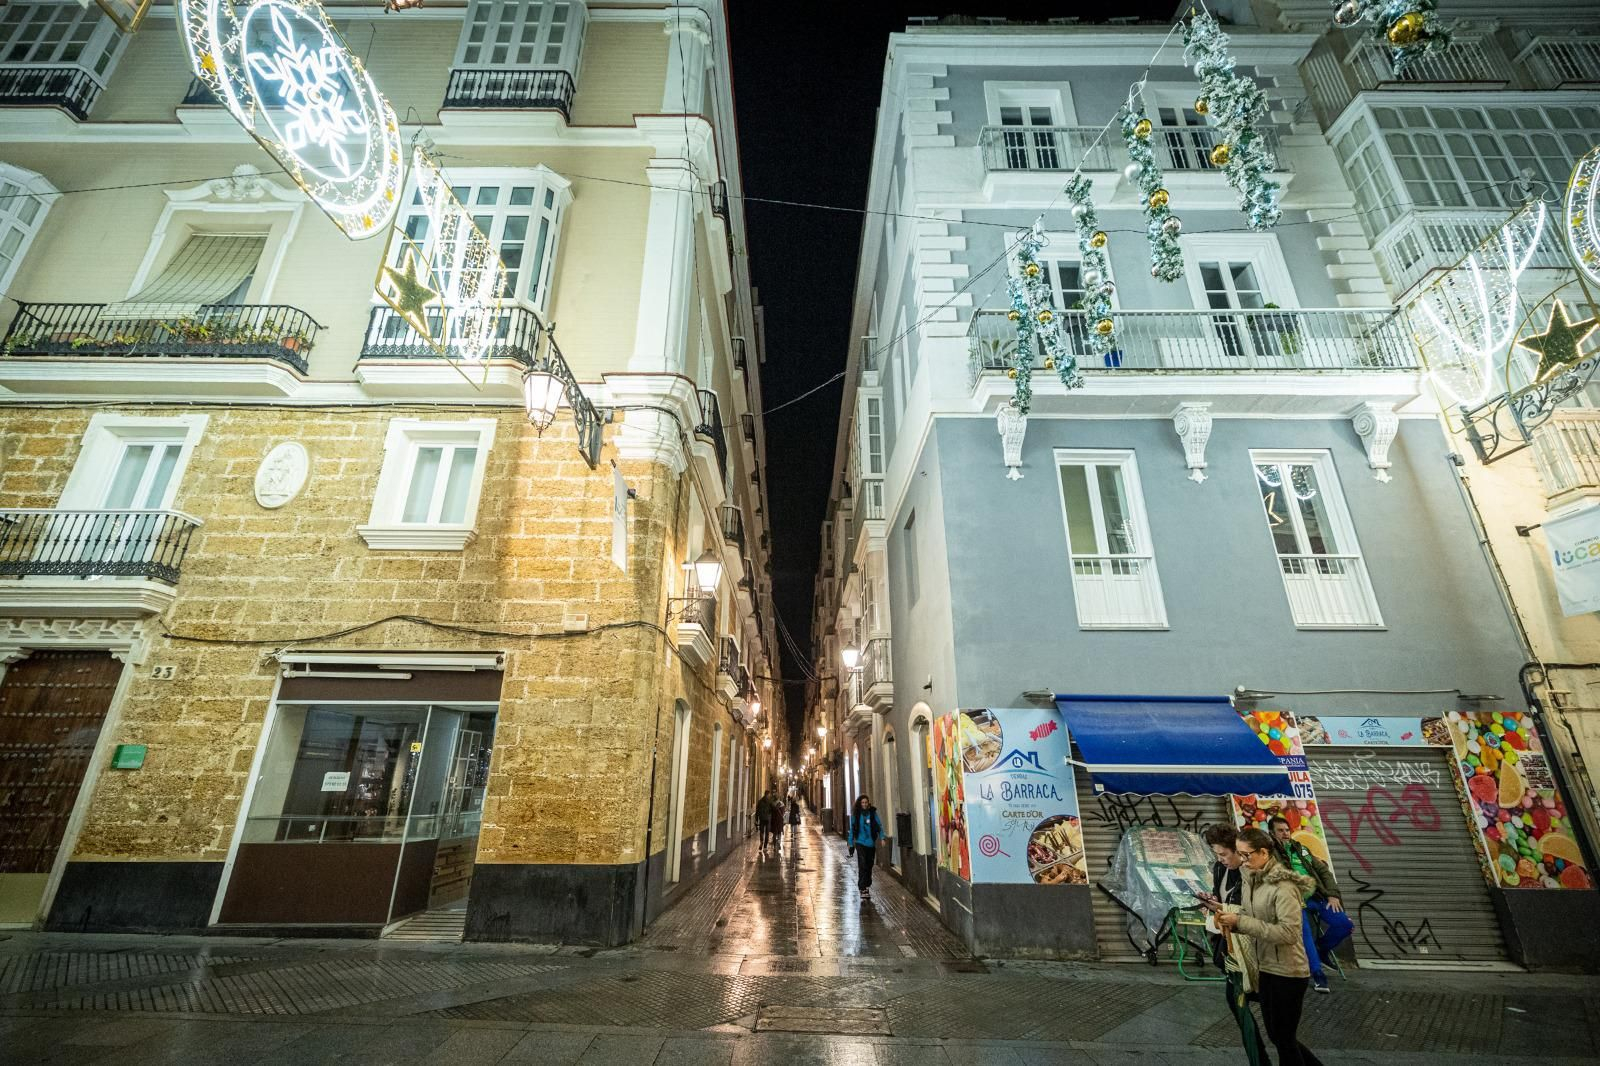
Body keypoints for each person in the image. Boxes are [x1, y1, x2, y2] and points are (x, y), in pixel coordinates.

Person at [1214, 827, 1327, 1066]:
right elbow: (1249, 914)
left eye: (1247, 855)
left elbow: (1288, 933)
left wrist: (1241, 922)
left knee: (1284, 1039)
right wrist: (1230, 917)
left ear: (1264, 853)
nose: (1242, 861)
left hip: (1289, 972)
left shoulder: (1284, 886)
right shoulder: (1251, 879)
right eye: (1240, 854)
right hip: (1265, 968)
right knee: (1279, 1036)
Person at [1203, 824, 1271, 1066]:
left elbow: (1262, 915)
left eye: (1224, 854)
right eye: (1217, 855)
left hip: (1260, 954)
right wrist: (1213, 905)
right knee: (1238, 1003)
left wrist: (1228, 913)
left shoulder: (1253, 875)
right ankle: (1259, 1060)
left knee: (1280, 1032)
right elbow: (1221, 898)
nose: (1220, 860)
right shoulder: (1221, 870)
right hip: (1234, 952)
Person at [1269, 815, 1353, 994]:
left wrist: (1332, 895)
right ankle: (1317, 974)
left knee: (1344, 924)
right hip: (1294, 901)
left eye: (1287, 830)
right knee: (1304, 932)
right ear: (1271, 833)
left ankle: (1322, 949)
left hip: (1317, 896)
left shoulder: (1301, 849)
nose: (1285, 834)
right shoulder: (1270, 852)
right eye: (1280, 831)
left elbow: (1323, 871)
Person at [847, 795, 884, 900]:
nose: (864, 804)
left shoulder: (872, 813)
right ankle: (862, 887)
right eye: (862, 803)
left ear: (868, 803)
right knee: (862, 864)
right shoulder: (856, 815)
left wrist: (882, 837)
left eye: (865, 802)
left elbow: (879, 825)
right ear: (860, 803)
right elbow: (852, 829)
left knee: (869, 865)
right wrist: (850, 842)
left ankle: (867, 885)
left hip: (870, 843)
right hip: (860, 843)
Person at [755, 788, 776, 853]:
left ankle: (761, 842)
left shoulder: (760, 801)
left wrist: (756, 819)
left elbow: (757, 811)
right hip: (768, 818)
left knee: (761, 832)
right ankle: (765, 846)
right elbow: (774, 808)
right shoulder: (770, 801)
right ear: (768, 794)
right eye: (769, 794)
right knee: (767, 833)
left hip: (761, 818)